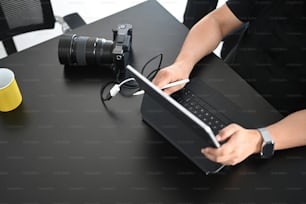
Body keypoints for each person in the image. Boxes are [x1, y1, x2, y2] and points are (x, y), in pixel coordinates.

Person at [152, 0, 306, 166]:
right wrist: (182, 64)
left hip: (281, 129)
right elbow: (218, 22)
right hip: (226, 87)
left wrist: (259, 139)